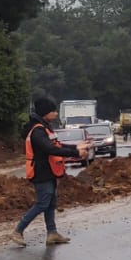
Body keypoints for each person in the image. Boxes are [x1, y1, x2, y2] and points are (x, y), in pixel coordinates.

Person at [10, 97, 91, 247]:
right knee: (42, 203)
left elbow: (57, 145)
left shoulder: (45, 128)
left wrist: (76, 147)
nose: (55, 113)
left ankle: (52, 233)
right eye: (53, 111)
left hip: (50, 170)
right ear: (46, 112)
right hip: (41, 171)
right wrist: (76, 153)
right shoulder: (38, 131)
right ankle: (18, 230)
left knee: (51, 203)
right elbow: (50, 149)